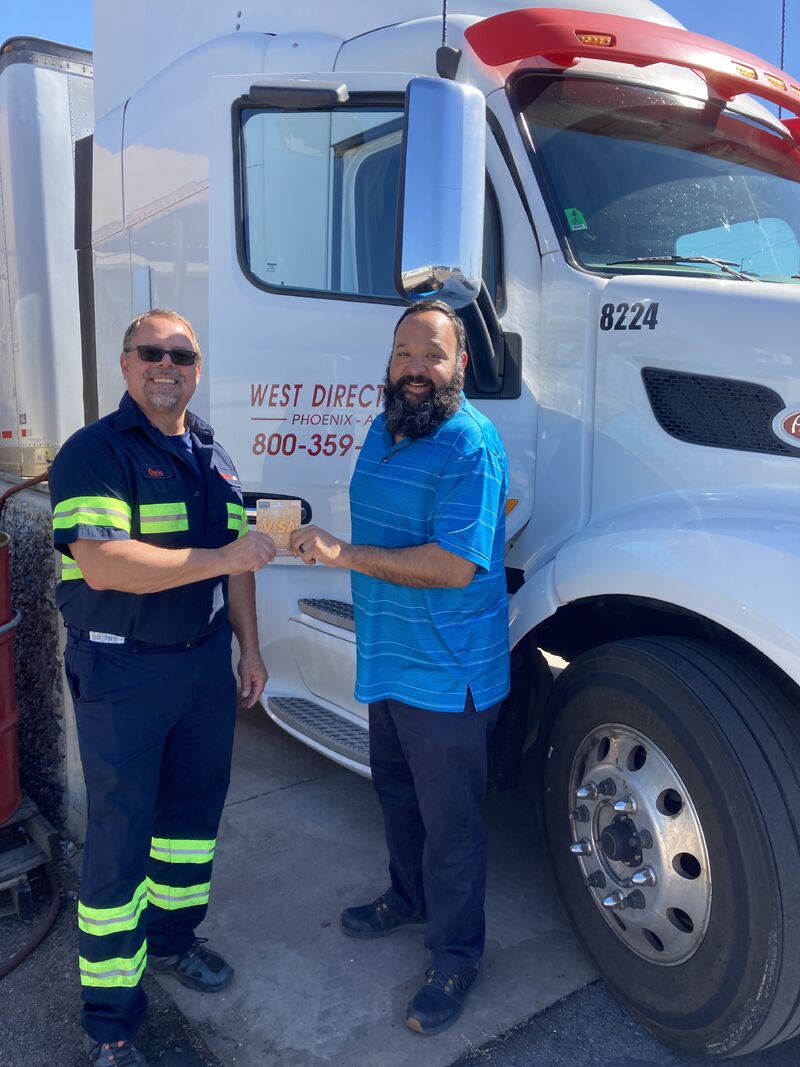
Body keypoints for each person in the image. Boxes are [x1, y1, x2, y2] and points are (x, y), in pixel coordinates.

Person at [49, 309, 276, 1067]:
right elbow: (105, 564)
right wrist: (226, 558)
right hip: (123, 671)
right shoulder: (95, 452)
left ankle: (174, 940)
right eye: (151, 352)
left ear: (197, 369)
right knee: (121, 838)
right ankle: (111, 1022)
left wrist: (249, 648)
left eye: (181, 354)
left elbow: (239, 564)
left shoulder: (213, 455)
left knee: (189, 821)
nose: (166, 365)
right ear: (126, 364)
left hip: (202, 665)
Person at [290, 300, 510, 1036]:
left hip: (449, 675)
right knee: (396, 795)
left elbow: (452, 567)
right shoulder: (384, 428)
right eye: (404, 354)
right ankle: (408, 898)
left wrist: (342, 554)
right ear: (388, 364)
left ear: (460, 364)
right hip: (388, 657)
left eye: (433, 355)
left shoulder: (470, 444)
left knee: (452, 826)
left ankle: (456, 958)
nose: (417, 369)